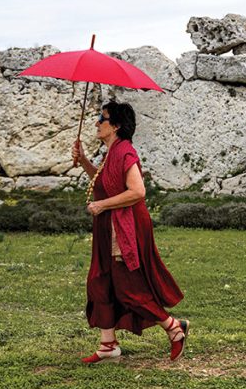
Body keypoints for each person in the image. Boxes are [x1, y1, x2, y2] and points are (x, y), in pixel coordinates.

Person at [72, 100, 187, 364]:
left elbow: (137, 192)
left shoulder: (125, 152)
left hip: (123, 227)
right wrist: (83, 161)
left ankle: (174, 328)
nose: (97, 124)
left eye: (102, 119)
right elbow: (101, 182)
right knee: (99, 281)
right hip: (107, 226)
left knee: (127, 286)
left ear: (116, 126)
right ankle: (108, 345)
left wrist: (101, 205)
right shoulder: (109, 153)